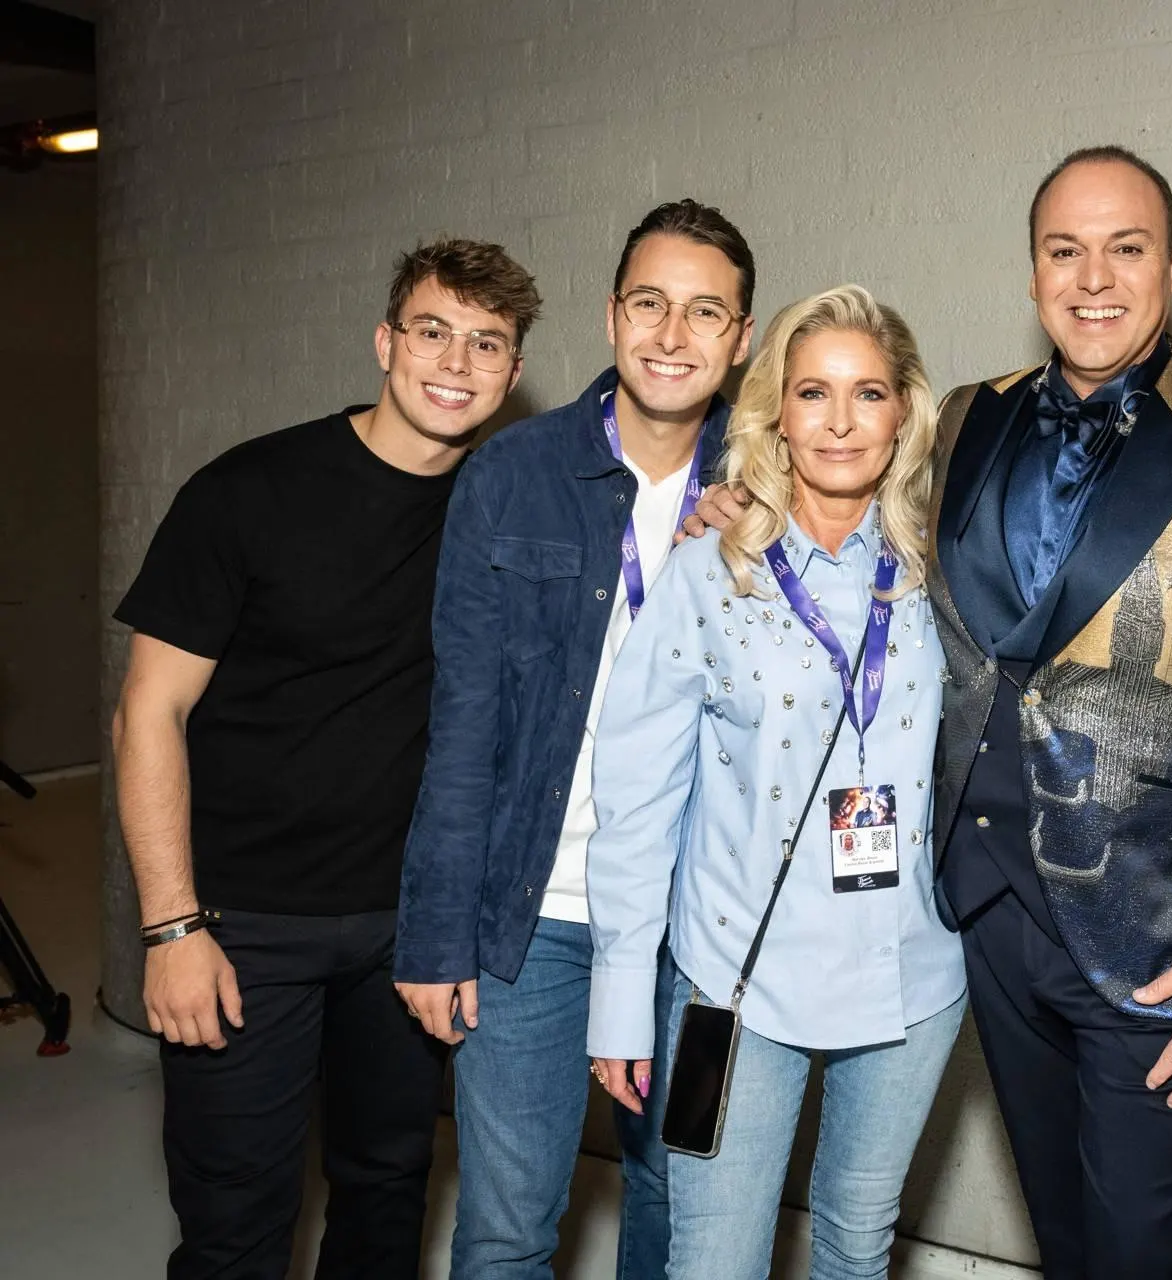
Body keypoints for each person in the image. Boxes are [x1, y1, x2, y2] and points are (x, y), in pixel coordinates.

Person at [688, 145, 1172, 1280]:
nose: (1093, 276)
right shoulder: (961, 420)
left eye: (1126, 247)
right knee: (1066, 1239)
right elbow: (846, 495)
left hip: (1165, 942)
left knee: (1147, 1253)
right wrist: (740, 491)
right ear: (1033, 271)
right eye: (1065, 250)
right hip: (987, 919)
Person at [111, 238, 541, 1280]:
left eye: (487, 342)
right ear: (386, 341)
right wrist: (172, 924)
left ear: (512, 371)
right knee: (236, 1222)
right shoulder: (248, 490)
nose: (456, 360)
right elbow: (146, 715)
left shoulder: (499, 513)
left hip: (406, 930)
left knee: (387, 1194)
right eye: (434, 330)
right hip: (242, 924)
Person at [392, 200, 753, 1278]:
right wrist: (435, 930)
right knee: (506, 1227)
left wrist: (753, 556)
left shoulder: (776, 484)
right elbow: (462, 722)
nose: (672, 334)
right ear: (610, 316)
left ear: (740, 337)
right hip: (533, 919)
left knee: (679, 1206)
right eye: (650, 302)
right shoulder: (512, 475)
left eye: (705, 312)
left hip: (701, 929)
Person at [586, 284, 965, 1280]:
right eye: (812, 392)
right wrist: (624, 998)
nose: (840, 422)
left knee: (855, 1244)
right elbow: (635, 793)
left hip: (913, 973)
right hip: (735, 983)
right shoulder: (710, 569)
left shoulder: (950, 564)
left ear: (904, 410)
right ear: (776, 414)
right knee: (711, 1260)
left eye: (869, 392)